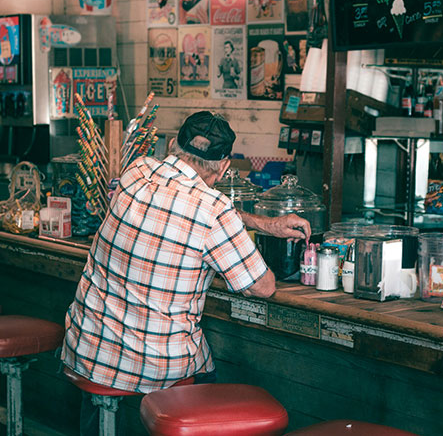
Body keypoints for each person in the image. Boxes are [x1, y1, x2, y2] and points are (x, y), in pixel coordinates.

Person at [61, 111, 311, 434]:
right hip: (155, 370)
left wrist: (263, 224)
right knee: (205, 372)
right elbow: (263, 286)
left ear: (174, 145)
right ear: (223, 168)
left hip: (87, 350)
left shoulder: (135, 172)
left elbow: (187, 206)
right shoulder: (213, 209)